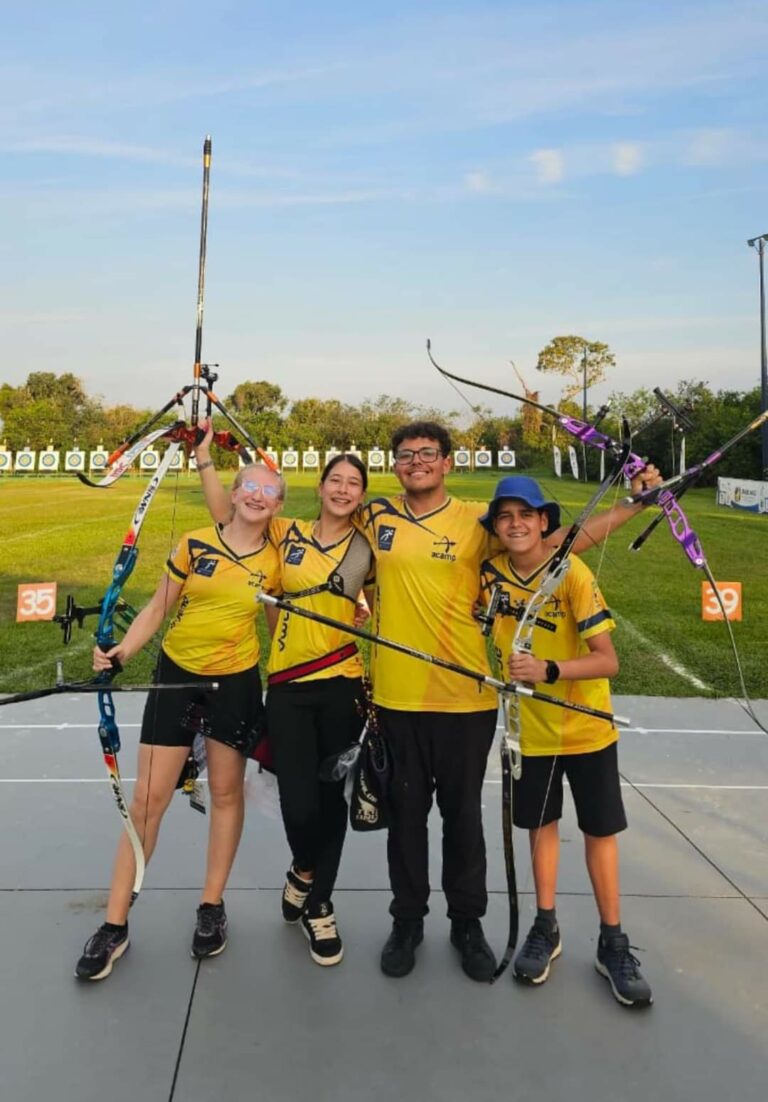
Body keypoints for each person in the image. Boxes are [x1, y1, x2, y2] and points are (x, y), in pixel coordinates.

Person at [356, 422, 660, 983]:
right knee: (406, 820)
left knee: (463, 819)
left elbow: (560, 544)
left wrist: (634, 505)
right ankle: (407, 921)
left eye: (427, 453)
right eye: (405, 454)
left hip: (467, 698)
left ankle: (467, 924)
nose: (416, 461)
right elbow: (322, 535)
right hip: (397, 696)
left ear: (447, 462)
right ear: (394, 464)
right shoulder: (375, 515)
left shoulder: (482, 520)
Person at [74, 462, 283, 981]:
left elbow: (280, 629)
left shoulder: (278, 560)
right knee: (148, 800)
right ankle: (114, 924)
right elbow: (156, 609)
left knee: (227, 795)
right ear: (234, 493)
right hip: (176, 677)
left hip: (234, 684)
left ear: (278, 505)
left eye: (269, 491)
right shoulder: (194, 544)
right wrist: (121, 652)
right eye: (249, 486)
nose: (257, 495)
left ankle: (211, 906)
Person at [195, 435, 374, 967]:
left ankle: (320, 905)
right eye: (335, 480)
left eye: (354, 484)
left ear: (362, 495)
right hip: (289, 686)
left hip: (342, 681)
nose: (343, 490)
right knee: (299, 802)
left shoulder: (368, 547)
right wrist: (204, 459)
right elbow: (227, 514)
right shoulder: (285, 531)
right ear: (320, 487)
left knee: (331, 800)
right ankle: (304, 867)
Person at [479, 474, 653, 1007]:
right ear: (495, 526)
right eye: (505, 516)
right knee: (541, 828)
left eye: (526, 515)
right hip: (530, 732)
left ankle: (612, 940)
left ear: (543, 523)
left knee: (600, 831)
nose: (516, 524)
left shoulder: (572, 573)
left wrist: (548, 669)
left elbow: (608, 660)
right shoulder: (489, 575)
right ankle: (545, 925)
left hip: (586, 729)